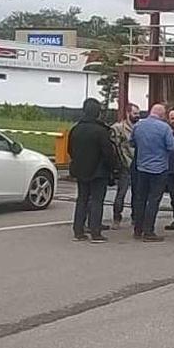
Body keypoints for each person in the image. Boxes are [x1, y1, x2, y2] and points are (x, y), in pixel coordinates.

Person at [68, 98, 119, 243]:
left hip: (80, 170)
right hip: (98, 171)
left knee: (82, 199)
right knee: (97, 201)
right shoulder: (101, 131)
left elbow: (70, 150)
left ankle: (78, 231)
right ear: (98, 113)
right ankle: (95, 232)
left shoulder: (75, 129)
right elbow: (108, 153)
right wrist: (113, 169)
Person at [131, 103, 174, 242]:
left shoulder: (138, 125)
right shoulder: (165, 128)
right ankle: (149, 231)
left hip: (141, 168)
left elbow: (131, 142)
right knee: (153, 200)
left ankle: (137, 229)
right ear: (162, 115)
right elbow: (173, 147)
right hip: (159, 169)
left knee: (140, 199)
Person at [111, 103, 140, 230]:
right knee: (121, 193)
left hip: (138, 165)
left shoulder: (140, 127)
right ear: (128, 113)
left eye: (139, 114)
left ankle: (135, 217)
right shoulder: (118, 128)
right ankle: (117, 218)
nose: (137, 116)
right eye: (135, 114)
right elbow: (113, 146)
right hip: (124, 164)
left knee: (137, 193)